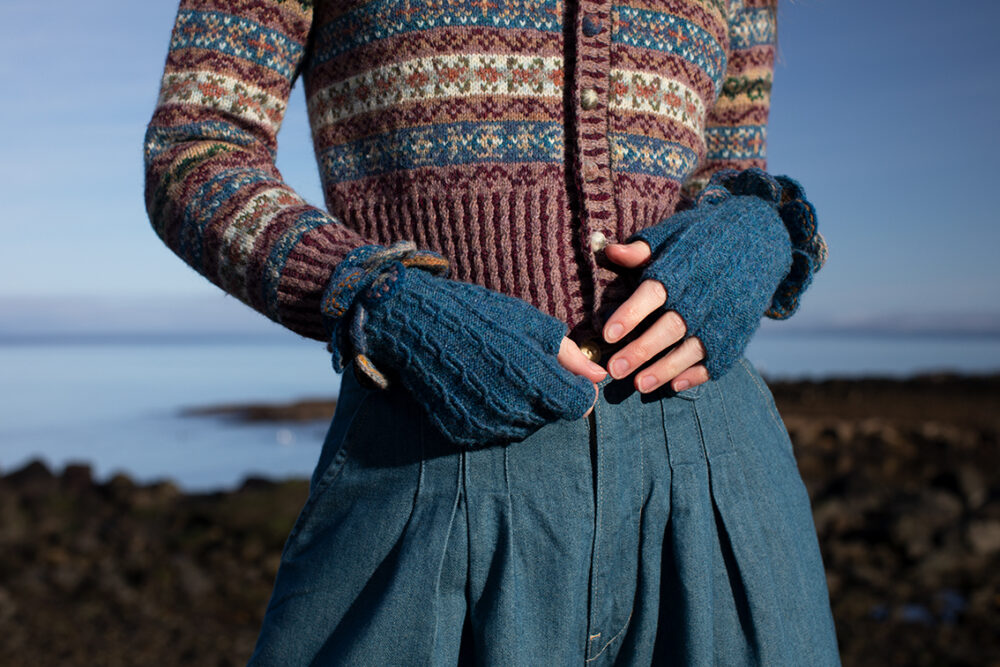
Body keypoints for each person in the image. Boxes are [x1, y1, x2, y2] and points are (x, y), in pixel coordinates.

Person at [143, 0, 840, 663]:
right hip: (431, 455)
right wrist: (369, 293)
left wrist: (756, 228)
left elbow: (723, 169)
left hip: (715, 466)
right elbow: (195, 147)